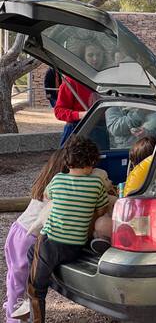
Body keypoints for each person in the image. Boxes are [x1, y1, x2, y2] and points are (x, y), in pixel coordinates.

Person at [24, 136, 109, 323]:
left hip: (51, 242)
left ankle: (35, 319)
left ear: (68, 162)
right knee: (32, 253)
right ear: (91, 163)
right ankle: (45, 273)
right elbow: (102, 209)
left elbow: (47, 196)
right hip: (75, 247)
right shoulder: (96, 184)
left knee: (35, 287)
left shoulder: (58, 179)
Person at [3, 149, 66, 323]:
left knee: (14, 277)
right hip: (28, 237)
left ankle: (12, 305)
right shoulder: (60, 188)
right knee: (20, 281)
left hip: (17, 230)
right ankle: (13, 317)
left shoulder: (45, 183)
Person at [89, 136, 156, 254]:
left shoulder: (136, 181)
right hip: (147, 229)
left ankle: (108, 242)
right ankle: (106, 240)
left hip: (138, 231)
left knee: (100, 223)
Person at [54, 44, 105, 146]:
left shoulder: (106, 80)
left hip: (101, 131)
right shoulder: (71, 81)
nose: (95, 58)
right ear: (83, 57)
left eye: (98, 55)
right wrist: (80, 115)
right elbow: (59, 111)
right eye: (90, 55)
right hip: (76, 130)